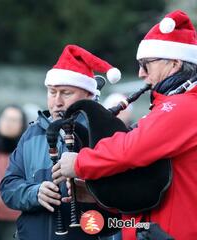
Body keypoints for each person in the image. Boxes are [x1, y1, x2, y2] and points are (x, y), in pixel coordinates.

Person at [53, 10, 197, 240]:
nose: (140, 73)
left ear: (175, 63)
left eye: (146, 65)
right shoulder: (176, 106)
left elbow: (131, 150)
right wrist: (96, 193)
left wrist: (80, 162)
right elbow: (151, 185)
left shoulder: (185, 107)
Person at [0, 44, 121, 240]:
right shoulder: (31, 134)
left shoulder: (104, 135)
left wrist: (90, 191)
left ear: (89, 95)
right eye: (52, 92)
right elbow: (7, 188)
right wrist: (34, 193)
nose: (57, 101)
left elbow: (123, 197)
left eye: (66, 93)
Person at [0, 104, 27, 240]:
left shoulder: (26, 150)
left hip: (14, 217)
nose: (8, 124)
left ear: (22, 125)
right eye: (6, 118)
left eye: (14, 120)